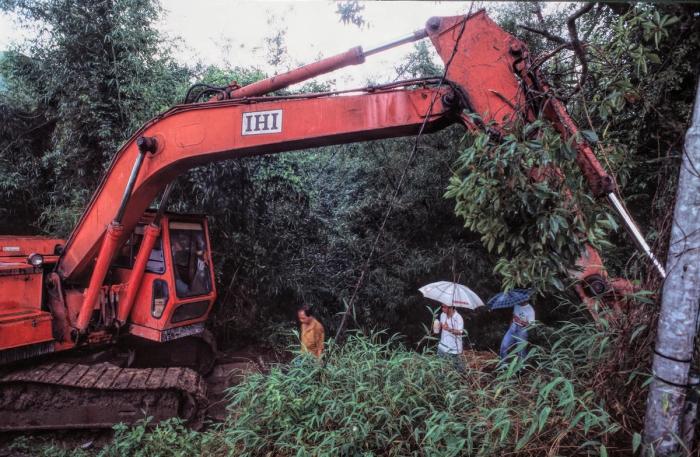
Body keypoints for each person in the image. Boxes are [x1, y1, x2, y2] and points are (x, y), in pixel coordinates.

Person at [435, 304, 465, 372]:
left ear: (451, 308)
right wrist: (437, 326)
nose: (442, 309)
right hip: (442, 345)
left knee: (456, 370)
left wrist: (449, 329)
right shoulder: (443, 315)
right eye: (442, 307)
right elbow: (440, 326)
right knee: (440, 367)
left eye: (444, 307)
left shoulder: (458, 317)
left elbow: (460, 332)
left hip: (454, 348)